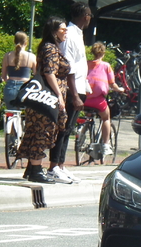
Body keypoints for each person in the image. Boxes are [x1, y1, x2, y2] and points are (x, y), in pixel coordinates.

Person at [16, 17, 69, 184]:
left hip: (41, 98)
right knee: (43, 131)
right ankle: (37, 170)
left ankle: (32, 168)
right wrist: (59, 95)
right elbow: (49, 72)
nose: (65, 32)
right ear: (54, 32)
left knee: (36, 131)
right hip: (46, 98)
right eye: (62, 29)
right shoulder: (51, 49)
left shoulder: (47, 47)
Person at [48, 1, 92, 184]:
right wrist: (74, 95)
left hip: (80, 87)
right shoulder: (71, 34)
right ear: (86, 16)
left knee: (68, 130)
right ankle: (53, 167)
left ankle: (60, 165)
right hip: (71, 89)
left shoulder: (78, 34)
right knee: (63, 129)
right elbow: (69, 67)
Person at [85, 41, 124, 156]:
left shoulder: (86, 64)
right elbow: (112, 84)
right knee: (106, 118)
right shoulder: (106, 66)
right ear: (103, 53)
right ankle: (106, 145)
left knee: (88, 115)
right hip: (98, 100)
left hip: (84, 98)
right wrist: (120, 90)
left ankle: (83, 133)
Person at [1, 31, 37, 110]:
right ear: (26, 42)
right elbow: (36, 75)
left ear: (14, 41)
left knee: (10, 113)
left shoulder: (7, 56)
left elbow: (3, 76)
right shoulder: (31, 57)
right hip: (25, 89)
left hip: (9, 88)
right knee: (25, 115)